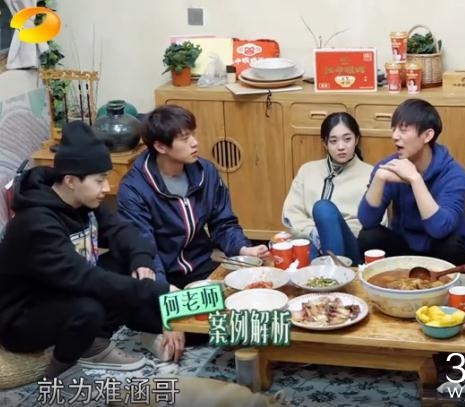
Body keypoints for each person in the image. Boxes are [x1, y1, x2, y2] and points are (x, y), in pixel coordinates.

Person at [0, 122, 180, 389]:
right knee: (89, 308)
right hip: (21, 317)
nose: (106, 187)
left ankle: (96, 342)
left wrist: (141, 261)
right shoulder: (37, 223)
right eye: (99, 180)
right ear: (71, 181)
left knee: (124, 264)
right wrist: (158, 290)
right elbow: (85, 278)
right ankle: (60, 370)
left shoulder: (83, 202)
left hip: (59, 290)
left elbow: (122, 230)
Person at [117, 104, 269, 289]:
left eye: (193, 135)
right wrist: (164, 290)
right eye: (184, 139)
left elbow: (223, 222)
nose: (195, 142)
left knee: (248, 291)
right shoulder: (134, 188)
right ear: (160, 146)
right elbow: (144, 248)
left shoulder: (205, 171)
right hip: (161, 274)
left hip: (200, 266)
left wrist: (243, 249)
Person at [357, 98, 465, 266]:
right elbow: (367, 221)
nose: (395, 136)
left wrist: (415, 179)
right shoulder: (391, 166)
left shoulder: (454, 174)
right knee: (369, 236)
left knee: (452, 247)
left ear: (427, 135)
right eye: (394, 129)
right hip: (404, 247)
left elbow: (439, 229)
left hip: (441, 249)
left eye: (403, 130)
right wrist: (379, 177)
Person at [282, 112, 384, 265]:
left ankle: (335, 273)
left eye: (347, 139)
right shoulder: (307, 170)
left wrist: (333, 231)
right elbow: (291, 214)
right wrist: (314, 233)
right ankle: (318, 275)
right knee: (299, 246)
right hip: (311, 241)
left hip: (351, 247)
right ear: (325, 144)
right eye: (333, 141)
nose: (341, 147)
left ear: (356, 140)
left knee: (323, 208)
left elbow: (380, 222)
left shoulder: (371, 174)